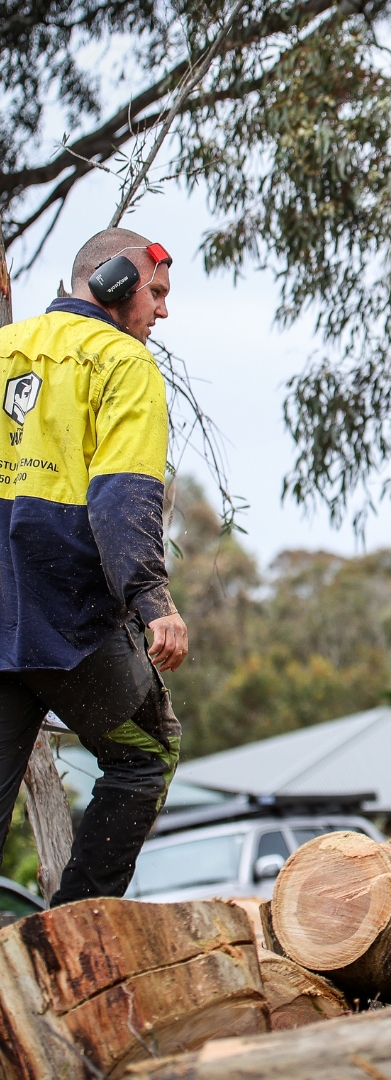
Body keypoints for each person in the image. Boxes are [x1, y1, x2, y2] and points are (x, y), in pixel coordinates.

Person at [0, 227, 188, 905]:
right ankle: (72, 932)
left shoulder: (4, 350)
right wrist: (154, 603)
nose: (161, 312)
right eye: (156, 291)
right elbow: (122, 499)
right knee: (146, 754)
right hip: (68, 621)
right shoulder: (122, 363)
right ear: (112, 280)